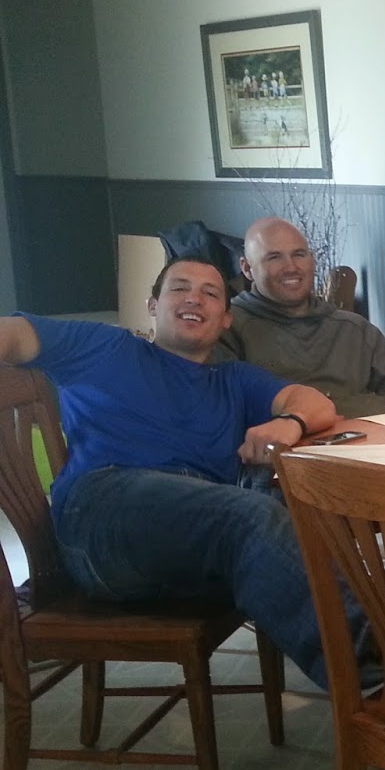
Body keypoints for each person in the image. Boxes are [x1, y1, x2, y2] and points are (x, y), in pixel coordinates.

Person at [0, 258, 362, 689]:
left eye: (211, 293)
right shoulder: (103, 346)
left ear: (225, 319)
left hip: (195, 534)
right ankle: (379, 674)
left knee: (322, 506)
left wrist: (291, 423)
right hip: (105, 515)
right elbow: (13, 336)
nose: (194, 298)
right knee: (248, 514)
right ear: (153, 304)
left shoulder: (234, 380)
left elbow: (316, 404)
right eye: (179, 288)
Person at [212, 217, 385, 416]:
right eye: (274, 257)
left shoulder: (356, 329)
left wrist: (321, 411)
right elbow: (232, 413)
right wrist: (323, 413)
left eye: (299, 254)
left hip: (367, 446)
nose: (291, 267)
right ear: (247, 269)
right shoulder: (226, 329)